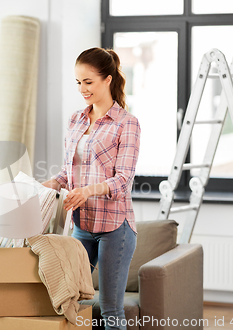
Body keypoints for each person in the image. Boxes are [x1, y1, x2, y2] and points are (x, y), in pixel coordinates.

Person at [43, 47, 140, 330]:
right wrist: (49, 184)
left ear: (107, 80)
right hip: (81, 225)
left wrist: (86, 191)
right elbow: (67, 172)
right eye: (78, 82)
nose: (82, 89)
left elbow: (122, 180)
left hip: (114, 228)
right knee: (71, 302)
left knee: (110, 309)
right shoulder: (76, 120)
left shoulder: (127, 124)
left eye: (88, 82)